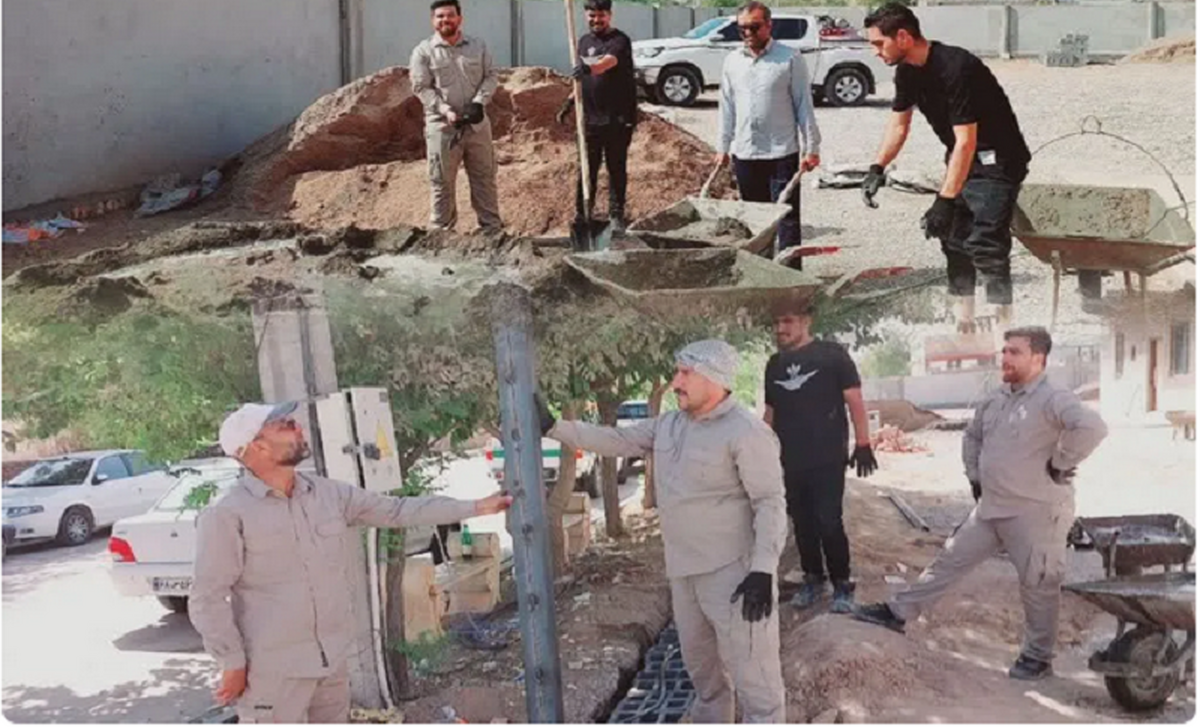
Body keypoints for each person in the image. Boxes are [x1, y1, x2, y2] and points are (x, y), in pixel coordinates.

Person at [190, 402, 511, 723]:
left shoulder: (327, 494)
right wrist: (232, 661)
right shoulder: (227, 514)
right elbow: (207, 596)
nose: (298, 428)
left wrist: (477, 507)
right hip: (273, 674)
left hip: (331, 662)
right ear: (256, 446)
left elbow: (397, 510)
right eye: (285, 425)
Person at [536, 340, 788, 723]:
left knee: (757, 683)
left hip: (735, 577)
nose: (675, 382)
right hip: (683, 575)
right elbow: (616, 440)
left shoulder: (746, 432)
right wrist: (555, 427)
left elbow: (770, 502)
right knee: (704, 678)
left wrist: (763, 569)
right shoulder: (669, 426)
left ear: (713, 378)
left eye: (685, 373)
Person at [853, 327, 1108, 681]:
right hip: (991, 508)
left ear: (1038, 358)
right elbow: (972, 436)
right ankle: (897, 613)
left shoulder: (1053, 397)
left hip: (1035, 511)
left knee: (1038, 585)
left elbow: (1093, 426)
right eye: (1004, 351)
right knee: (948, 561)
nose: (1005, 358)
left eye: (1014, 352)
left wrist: (1061, 461)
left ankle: (1037, 658)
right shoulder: (997, 397)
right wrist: (975, 475)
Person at [860, 3, 1031, 333]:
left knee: (987, 244)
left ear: (904, 36)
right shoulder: (907, 71)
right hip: (961, 158)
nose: (875, 52)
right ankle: (963, 323)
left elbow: (967, 141)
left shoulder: (956, 67)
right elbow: (899, 126)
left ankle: (1004, 331)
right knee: (953, 240)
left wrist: (945, 199)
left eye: (879, 43)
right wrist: (876, 167)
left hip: (998, 161)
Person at [763, 295, 876, 613]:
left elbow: (854, 401)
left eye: (786, 322)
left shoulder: (832, 355)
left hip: (827, 457)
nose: (780, 328)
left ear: (806, 321)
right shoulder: (774, 365)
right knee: (802, 523)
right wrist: (761, 451)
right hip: (789, 460)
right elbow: (770, 412)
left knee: (829, 520)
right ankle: (813, 578)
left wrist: (863, 443)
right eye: (776, 323)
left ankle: (842, 583)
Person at [716, 1, 821, 262]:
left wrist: (812, 148)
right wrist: (723, 147)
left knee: (786, 219)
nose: (748, 33)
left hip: (781, 153)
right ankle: (762, 276)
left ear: (769, 25)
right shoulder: (732, 62)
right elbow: (726, 107)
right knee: (754, 221)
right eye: (742, 29)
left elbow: (803, 105)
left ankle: (791, 279)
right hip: (745, 154)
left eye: (755, 27)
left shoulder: (789, 58)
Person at [410, 0, 502, 233]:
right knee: (441, 181)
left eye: (450, 15)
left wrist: (479, 103)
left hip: (477, 127)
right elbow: (421, 87)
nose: (445, 20)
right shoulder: (423, 52)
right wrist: (444, 110)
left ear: (459, 18)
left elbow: (491, 76)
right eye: (440, 16)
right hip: (442, 128)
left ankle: (491, 230)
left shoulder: (478, 46)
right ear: (433, 20)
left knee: (484, 178)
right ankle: (441, 232)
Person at [556, 0, 639, 235]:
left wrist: (589, 67)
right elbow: (582, 80)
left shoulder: (620, 40)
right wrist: (570, 101)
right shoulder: (582, 42)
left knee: (616, 167)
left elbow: (608, 63)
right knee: (586, 168)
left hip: (618, 117)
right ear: (586, 15)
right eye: (592, 15)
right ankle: (583, 214)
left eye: (601, 15)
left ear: (609, 15)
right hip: (590, 118)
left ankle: (616, 216)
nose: (596, 20)